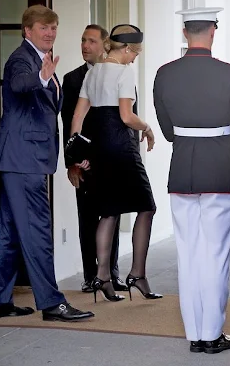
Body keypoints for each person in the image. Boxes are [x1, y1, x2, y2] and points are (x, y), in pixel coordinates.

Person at [153, 7, 230, 354]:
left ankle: (195, 334)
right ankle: (211, 334)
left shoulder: (164, 74)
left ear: (185, 32)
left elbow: (169, 132)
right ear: (213, 31)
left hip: (182, 171)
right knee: (214, 255)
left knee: (189, 254)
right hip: (219, 171)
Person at [0, 5, 94, 322]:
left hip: (22, 158)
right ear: (27, 31)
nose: (50, 33)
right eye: (44, 28)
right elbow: (19, 84)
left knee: (8, 231)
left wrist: (46, 75)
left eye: (54, 28)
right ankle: (51, 302)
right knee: (38, 230)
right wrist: (41, 77)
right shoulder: (22, 59)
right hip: (23, 159)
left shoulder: (41, 60)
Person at [69, 24, 162, 304]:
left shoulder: (93, 71)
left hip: (98, 146)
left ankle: (102, 277)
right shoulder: (124, 71)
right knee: (147, 207)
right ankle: (137, 274)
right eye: (134, 53)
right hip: (120, 145)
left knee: (108, 212)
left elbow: (77, 119)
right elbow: (126, 116)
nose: (134, 59)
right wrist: (146, 127)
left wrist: (75, 154)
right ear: (126, 49)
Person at [61, 24, 127, 294]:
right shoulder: (72, 79)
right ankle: (91, 276)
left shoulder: (121, 75)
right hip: (86, 162)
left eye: (90, 41)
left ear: (104, 45)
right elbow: (68, 122)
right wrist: (71, 162)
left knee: (113, 215)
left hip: (113, 159)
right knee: (87, 218)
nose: (85, 45)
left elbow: (125, 120)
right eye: (82, 40)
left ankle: (111, 273)